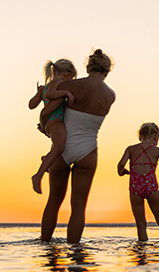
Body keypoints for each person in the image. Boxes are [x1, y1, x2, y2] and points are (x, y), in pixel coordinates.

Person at [40, 49, 116, 244]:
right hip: (88, 151)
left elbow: (47, 110)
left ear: (88, 67)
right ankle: (75, 249)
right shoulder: (110, 95)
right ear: (107, 71)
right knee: (79, 206)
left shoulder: (71, 85)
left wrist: (45, 128)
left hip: (63, 149)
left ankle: (45, 246)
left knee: (54, 202)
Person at [28, 59, 78, 194]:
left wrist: (38, 93)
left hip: (49, 123)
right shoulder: (59, 84)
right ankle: (38, 175)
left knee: (58, 147)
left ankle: (47, 161)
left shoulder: (44, 88)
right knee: (59, 147)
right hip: (56, 121)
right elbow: (51, 95)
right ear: (67, 75)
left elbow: (31, 105)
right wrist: (66, 93)